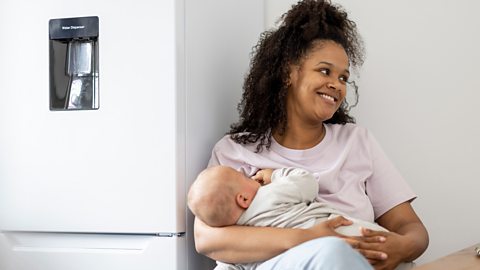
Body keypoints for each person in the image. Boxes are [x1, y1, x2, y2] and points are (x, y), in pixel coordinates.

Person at [193, 0, 429, 269]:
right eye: (325, 71)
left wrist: (402, 247)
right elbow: (207, 240)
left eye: (343, 78)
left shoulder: (356, 142)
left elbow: (412, 228)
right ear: (288, 72)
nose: (336, 85)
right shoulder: (234, 151)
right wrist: (311, 239)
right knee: (332, 253)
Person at [189, 166, 401, 270]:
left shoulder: (234, 250)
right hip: (346, 237)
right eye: (244, 177)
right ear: (243, 198)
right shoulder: (268, 194)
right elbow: (306, 182)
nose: (252, 177)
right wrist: (275, 175)